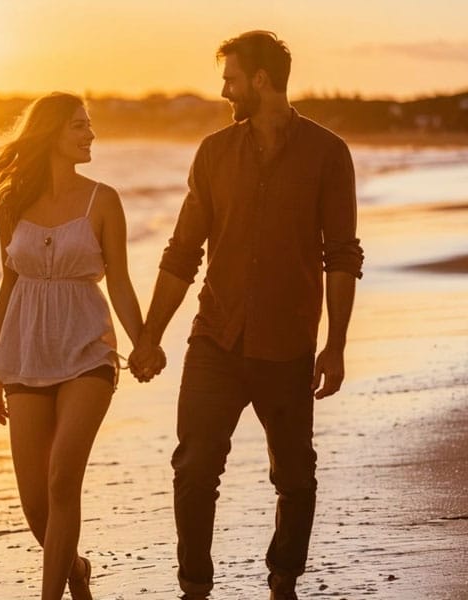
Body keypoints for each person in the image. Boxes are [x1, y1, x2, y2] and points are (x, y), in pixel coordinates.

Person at [129, 31, 364, 599]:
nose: (224, 89)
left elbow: (341, 255)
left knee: (294, 474)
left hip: (286, 345)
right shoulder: (213, 154)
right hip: (216, 337)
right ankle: (195, 587)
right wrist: (149, 336)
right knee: (193, 468)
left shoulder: (328, 154)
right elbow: (184, 253)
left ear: (261, 80)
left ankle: (283, 579)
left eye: (232, 78)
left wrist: (335, 344)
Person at [0, 92, 144, 600]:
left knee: (63, 479)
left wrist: (143, 342)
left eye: (90, 126)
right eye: (78, 127)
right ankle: (75, 570)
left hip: (88, 350)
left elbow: (121, 282)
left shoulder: (103, 200)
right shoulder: (12, 202)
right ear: (51, 134)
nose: (90, 135)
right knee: (36, 505)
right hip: (24, 355)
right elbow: (8, 284)